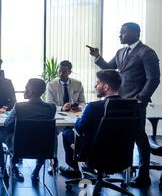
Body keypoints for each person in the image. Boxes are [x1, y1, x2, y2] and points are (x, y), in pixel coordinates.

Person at [87, 22, 160, 187]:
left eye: (123, 32)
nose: (120, 35)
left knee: (140, 138)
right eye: (120, 32)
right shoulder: (121, 52)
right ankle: (118, 166)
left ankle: (143, 175)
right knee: (117, 135)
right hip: (118, 101)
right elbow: (108, 68)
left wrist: (141, 97)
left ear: (135, 33)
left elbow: (153, 78)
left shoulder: (146, 52)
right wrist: (97, 57)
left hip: (135, 103)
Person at [0, 78, 56, 183]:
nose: (24, 90)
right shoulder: (51, 108)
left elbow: (7, 126)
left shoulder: (19, 107)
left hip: (20, 147)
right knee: (42, 138)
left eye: (26, 88)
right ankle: (36, 172)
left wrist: (15, 122)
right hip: (43, 148)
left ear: (30, 92)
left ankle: (2, 168)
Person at [60, 70, 122, 177]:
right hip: (120, 152)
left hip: (94, 151)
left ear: (106, 87)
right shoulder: (130, 106)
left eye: (98, 83)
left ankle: (73, 168)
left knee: (66, 132)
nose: (95, 86)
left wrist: (79, 118)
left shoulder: (93, 107)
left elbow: (79, 129)